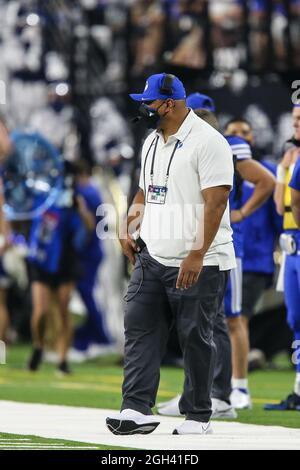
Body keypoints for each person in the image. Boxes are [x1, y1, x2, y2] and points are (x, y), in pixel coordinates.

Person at [106, 73, 236, 436]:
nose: (143, 107)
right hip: (153, 257)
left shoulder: (209, 142)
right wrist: (130, 225)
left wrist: (196, 253)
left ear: (170, 103)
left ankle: (198, 415)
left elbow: (216, 201)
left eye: (149, 101)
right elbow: (144, 192)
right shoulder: (151, 141)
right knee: (139, 326)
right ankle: (135, 408)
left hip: (201, 260)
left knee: (195, 335)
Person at [157, 94, 275, 416]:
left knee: (224, 318)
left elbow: (266, 181)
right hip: (192, 243)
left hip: (220, 247)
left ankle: (225, 392)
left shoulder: (222, 143)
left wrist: (241, 214)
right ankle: (195, 393)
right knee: (196, 321)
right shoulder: (171, 144)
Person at [265, 104, 300, 411]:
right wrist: (282, 170)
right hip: (291, 245)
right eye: (295, 120)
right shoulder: (290, 158)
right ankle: (299, 388)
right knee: (295, 318)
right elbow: (279, 206)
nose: (296, 125)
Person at [72, 160, 112, 354]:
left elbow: (87, 226)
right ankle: (90, 336)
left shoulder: (86, 193)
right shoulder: (94, 190)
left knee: (87, 294)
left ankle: (101, 336)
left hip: (89, 251)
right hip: (95, 248)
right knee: (87, 294)